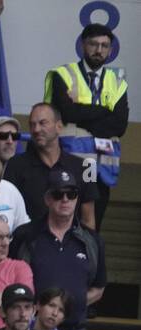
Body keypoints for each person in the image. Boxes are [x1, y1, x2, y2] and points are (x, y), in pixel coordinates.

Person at [10, 171, 107, 330]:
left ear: (77, 198)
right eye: (58, 194)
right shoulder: (26, 235)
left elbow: (99, 287)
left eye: (71, 194)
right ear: (47, 199)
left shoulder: (91, 239)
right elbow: (12, 275)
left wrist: (68, 307)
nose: (65, 199)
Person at [44, 22, 128, 225]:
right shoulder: (63, 74)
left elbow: (119, 125)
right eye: (94, 44)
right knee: (62, 220)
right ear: (83, 45)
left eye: (104, 45)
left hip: (99, 169)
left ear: (110, 50)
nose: (99, 50)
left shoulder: (118, 82)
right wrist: (103, 111)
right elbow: (66, 112)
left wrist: (82, 118)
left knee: (92, 225)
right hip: (68, 162)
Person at [3, 103, 99, 230]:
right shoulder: (15, 165)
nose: (36, 129)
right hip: (28, 245)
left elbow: (89, 220)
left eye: (43, 123)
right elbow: (8, 213)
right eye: (32, 125)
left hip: (71, 246)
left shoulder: (87, 166)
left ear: (59, 126)